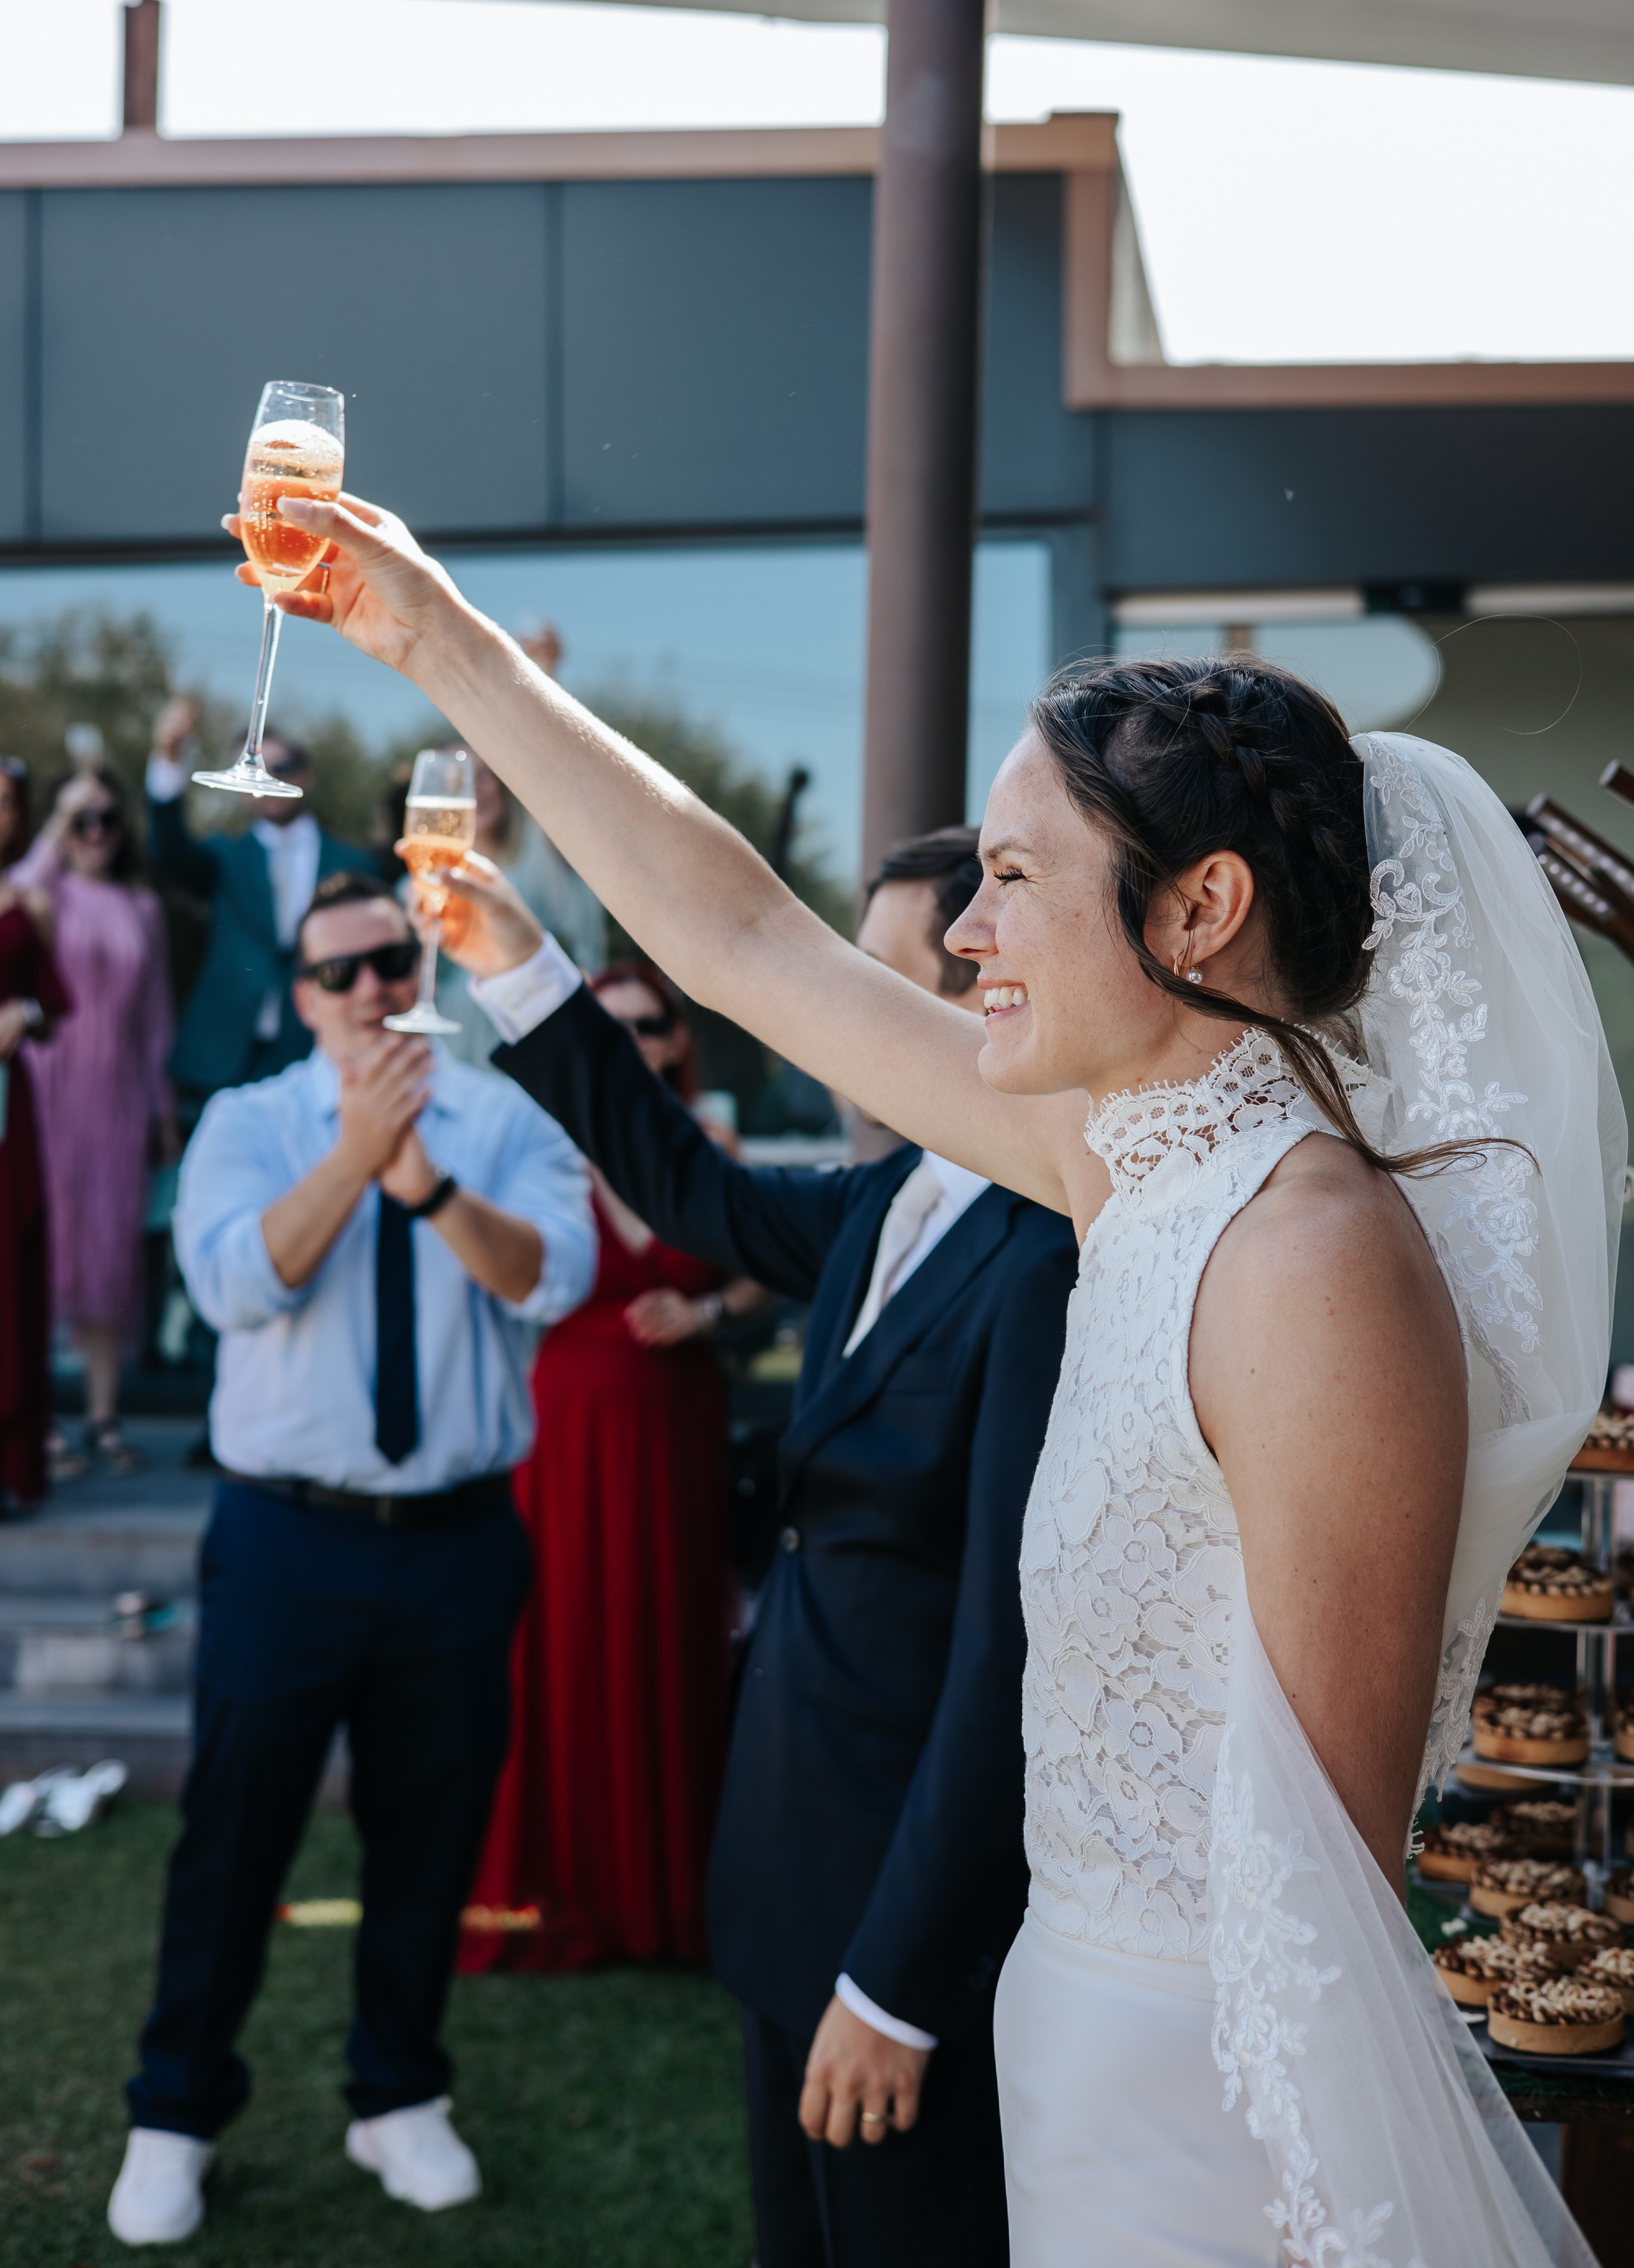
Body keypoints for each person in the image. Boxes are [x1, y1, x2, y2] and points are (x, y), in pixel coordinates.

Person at [268, 486, 1619, 2268]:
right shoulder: (1129, 1165)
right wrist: (433, 635)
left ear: (1200, 906)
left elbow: (1328, 1897)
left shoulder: (1317, 1271)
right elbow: (748, 945)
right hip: (1062, 2032)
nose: (967, 934)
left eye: (1011, 877)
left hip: (1213, 2121)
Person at [440, 831, 1077, 2266]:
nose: (833, 997)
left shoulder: (1046, 1255)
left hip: (904, 1913)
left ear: (976, 991)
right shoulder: (886, 1200)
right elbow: (687, 1186)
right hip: (787, 1869)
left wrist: (899, 1987)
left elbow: (1004, 1661)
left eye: (873, 969)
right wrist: (515, 967)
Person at [105, 871, 596, 2249]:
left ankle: (396, 2092)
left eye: (391, 959)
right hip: (283, 1538)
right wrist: (353, 1153)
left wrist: (423, 1179)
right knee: (235, 1831)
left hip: (454, 1540)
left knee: (428, 1835)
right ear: (302, 996)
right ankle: (175, 2111)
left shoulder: (505, 1120)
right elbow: (234, 1285)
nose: (371, 988)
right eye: (339, 973)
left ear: (420, 967)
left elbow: (545, 1278)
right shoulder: (246, 1122)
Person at [461, 957, 765, 1978]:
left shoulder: (711, 1146)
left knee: (670, 1633)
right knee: (561, 1637)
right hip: (565, 1433)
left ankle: (664, 1893)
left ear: (677, 1039)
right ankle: (555, 1883)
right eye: (614, 1026)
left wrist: (710, 1311)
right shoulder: (545, 1150)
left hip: (675, 1427)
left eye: (649, 1026)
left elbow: (777, 1264)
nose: (634, 1044)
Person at [17, 766, 177, 1475]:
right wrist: (61, 814)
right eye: (83, 821)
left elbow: (155, 1019)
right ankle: (38, 1418)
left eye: (106, 820)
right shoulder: (41, 891)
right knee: (42, 1245)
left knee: (109, 1252)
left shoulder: (142, 907)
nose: (95, 834)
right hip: (49, 1085)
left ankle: (104, 1419)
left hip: (117, 1095)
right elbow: (16, 891)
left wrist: (162, 1109)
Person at [145, 696, 374, 1106]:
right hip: (227, 1054)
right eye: (255, 772)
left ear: (308, 775)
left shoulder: (353, 864)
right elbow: (166, 854)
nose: (267, 782)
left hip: (318, 1049)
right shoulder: (223, 857)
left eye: (281, 768)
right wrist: (169, 757)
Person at [429, 751, 605, 1065]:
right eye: (459, 779)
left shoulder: (543, 853)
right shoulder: (423, 883)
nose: (475, 788)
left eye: (484, 775)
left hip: (534, 1034)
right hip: (454, 1049)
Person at [0, 762, 71, 1515]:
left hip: (6, 1105)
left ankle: (11, 1455)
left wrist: (25, 1015)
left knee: (9, 1264)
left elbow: (57, 1005)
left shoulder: (29, 902)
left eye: (7, 806)